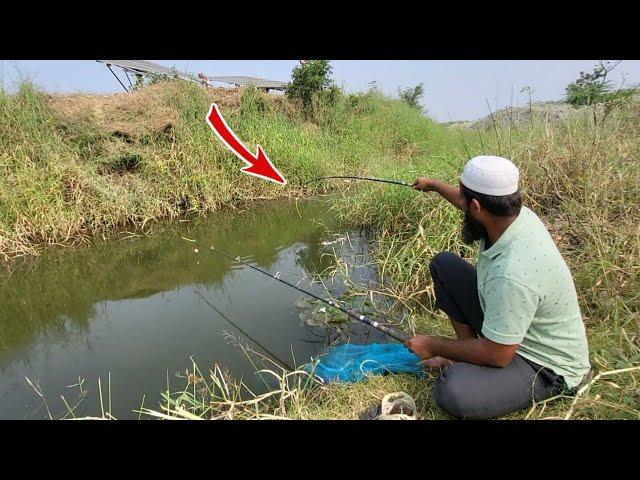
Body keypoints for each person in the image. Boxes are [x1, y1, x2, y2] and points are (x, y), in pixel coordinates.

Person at [407, 155, 592, 420]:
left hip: (544, 364)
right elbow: (466, 201)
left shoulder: (513, 272)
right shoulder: (515, 215)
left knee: (453, 390)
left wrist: (433, 345)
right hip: (513, 324)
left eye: (464, 199)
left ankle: (466, 362)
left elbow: (498, 354)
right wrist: (433, 185)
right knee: (444, 265)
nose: (461, 204)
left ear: (476, 206)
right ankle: (467, 353)